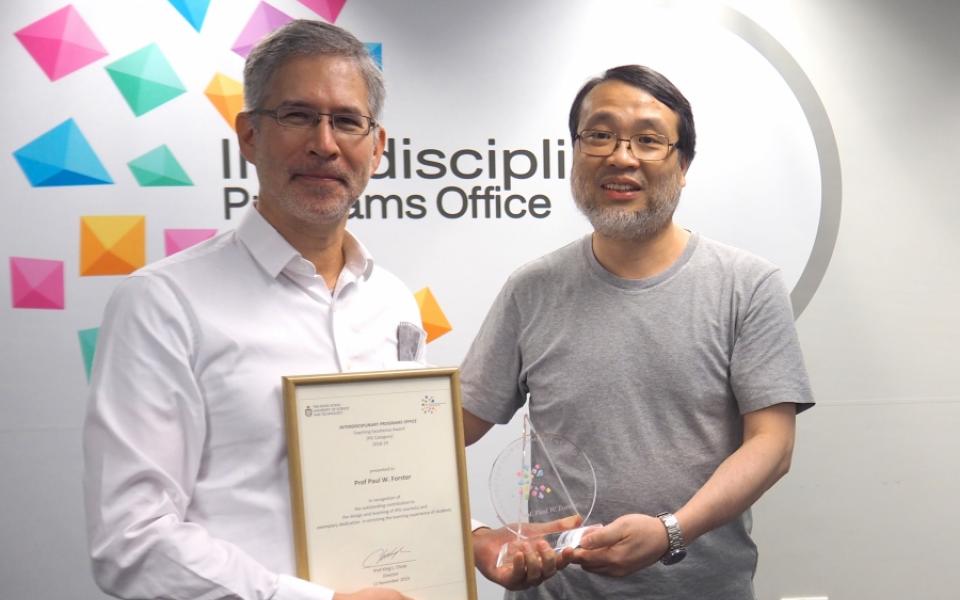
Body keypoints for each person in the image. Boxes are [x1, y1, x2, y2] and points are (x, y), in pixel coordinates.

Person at [83, 20, 427, 600]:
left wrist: (471, 535)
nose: (325, 142)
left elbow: (398, 483)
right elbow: (131, 539)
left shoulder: (392, 300)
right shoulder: (163, 303)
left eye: (347, 120)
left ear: (377, 146)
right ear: (247, 136)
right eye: (297, 115)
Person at [462, 65, 815, 599]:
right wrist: (472, 535)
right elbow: (446, 432)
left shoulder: (747, 284)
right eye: (599, 135)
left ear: (684, 163)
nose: (621, 157)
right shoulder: (531, 288)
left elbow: (772, 444)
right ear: (576, 154)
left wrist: (672, 530)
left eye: (648, 140)